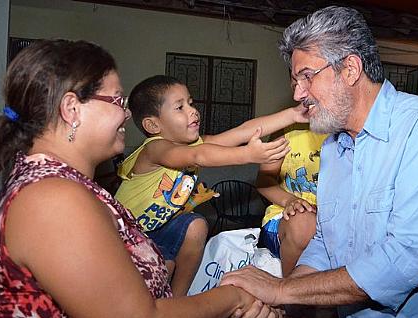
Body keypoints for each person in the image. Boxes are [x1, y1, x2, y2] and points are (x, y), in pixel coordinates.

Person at [222, 6, 418, 318]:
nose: (298, 94)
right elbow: (325, 243)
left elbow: (404, 262)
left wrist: (280, 289)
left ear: (350, 69)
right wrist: (282, 304)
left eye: (307, 76)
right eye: (295, 81)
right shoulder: (334, 148)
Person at [0, 39, 282, 318]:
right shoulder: (51, 198)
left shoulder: (63, 186)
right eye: (117, 101)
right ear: (72, 109)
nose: (126, 113)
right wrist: (234, 296)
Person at [115, 75, 307, 297]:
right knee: (161, 271)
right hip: (128, 235)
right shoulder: (154, 149)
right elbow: (198, 156)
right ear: (153, 125)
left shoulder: (193, 143)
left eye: (191, 102)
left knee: (196, 225)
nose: (193, 111)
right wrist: (247, 154)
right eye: (180, 107)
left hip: (161, 228)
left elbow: (244, 131)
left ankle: (179, 300)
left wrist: (293, 114)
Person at [257, 125, 325, 277]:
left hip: (331, 222)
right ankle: (290, 294)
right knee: (303, 221)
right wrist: (290, 201)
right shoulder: (286, 132)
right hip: (284, 220)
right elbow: (263, 181)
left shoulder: (351, 133)